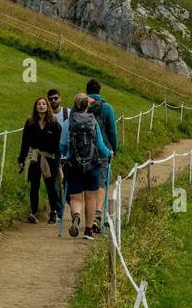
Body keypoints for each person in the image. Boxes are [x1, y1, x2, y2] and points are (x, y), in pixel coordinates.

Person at [59, 93, 112, 240]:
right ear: (87, 106)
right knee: (90, 198)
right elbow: (101, 146)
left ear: (74, 105)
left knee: (76, 197)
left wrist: (65, 154)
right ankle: (88, 231)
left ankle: (76, 216)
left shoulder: (67, 123)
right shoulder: (93, 121)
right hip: (92, 165)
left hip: (74, 165)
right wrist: (109, 153)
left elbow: (62, 146)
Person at [18, 97, 63, 224]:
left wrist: (57, 158)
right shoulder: (30, 123)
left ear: (47, 107)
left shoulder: (54, 124)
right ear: (35, 107)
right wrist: (21, 160)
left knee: (51, 186)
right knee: (34, 185)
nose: (41, 106)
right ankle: (34, 212)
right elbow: (25, 143)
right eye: (39, 104)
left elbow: (58, 143)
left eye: (44, 104)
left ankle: (53, 212)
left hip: (49, 158)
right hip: (34, 157)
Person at [85, 79, 118, 236]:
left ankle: (84, 217)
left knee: (87, 183)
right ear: (100, 91)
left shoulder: (80, 106)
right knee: (101, 183)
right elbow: (112, 131)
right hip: (103, 150)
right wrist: (114, 149)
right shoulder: (107, 108)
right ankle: (97, 214)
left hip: (84, 151)